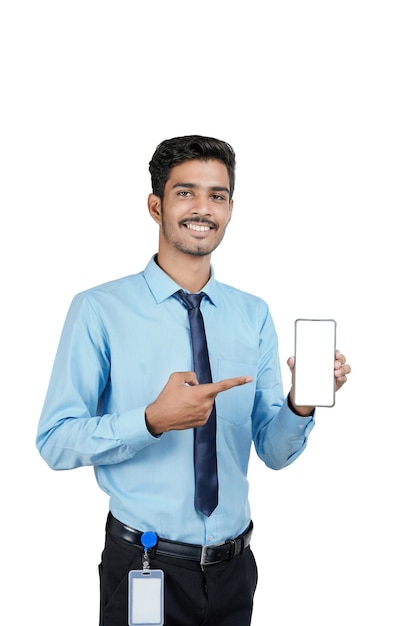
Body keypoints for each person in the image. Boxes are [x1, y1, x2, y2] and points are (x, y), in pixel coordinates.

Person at [36, 135, 351, 626]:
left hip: (235, 571)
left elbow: (274, 451)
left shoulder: (252, 314)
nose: (203, 208)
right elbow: (55, 442)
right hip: (146, 567)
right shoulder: (98, 309)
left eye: (217, 195)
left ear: (230, 208)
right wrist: (150, 421)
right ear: (155, 205)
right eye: (186, 193)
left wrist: (301, 404)